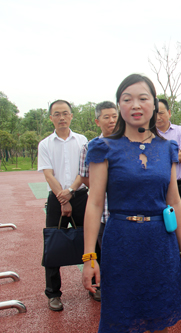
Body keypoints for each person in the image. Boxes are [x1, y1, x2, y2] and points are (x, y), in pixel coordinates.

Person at [82, 74, 181, 333]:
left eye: (143, 98)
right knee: (122, 317)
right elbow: (95, 203)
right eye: (127, 99)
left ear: (154, 104)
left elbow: (174, 202)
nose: (135, 105)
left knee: (161, 316)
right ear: (119, 106)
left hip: (160, 243)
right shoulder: (104, 147)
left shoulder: (167, 148)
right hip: (121, 242)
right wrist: (89, 257)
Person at [38, 99, 88, 311]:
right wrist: (62, 197)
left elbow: (83, 171)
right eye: (56, 114)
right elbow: (48, 174)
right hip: (56, 198)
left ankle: (95, 285)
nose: (61, 117)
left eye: (65, 113)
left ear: (71, 116)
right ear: (51, 118)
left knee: (90, 242)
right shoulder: (45, 144)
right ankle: (53, 294)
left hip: (80, 195)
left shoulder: (82, 140)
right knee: (53, 244)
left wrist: (71, 192)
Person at [79, 101, 118, 302]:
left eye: (114, 116)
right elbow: (86, 178)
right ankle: (105, 288)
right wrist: (102, 183)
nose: (112, 120)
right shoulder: (91, 146)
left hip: (127, 213)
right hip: (104, 212)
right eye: (106, 117)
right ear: (97, 121)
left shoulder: (128, 142)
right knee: (106, 257)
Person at [156, 98, 181, 287]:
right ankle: (163, 273)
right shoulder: (147, 134)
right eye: (155, 113)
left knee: (179, 228)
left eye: (162, 112)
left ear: (169, 113)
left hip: (177, 187)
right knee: (159, 231)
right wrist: (173, 156)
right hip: (155, 189)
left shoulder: (179, 131)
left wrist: (159, 156)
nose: (158, 116)